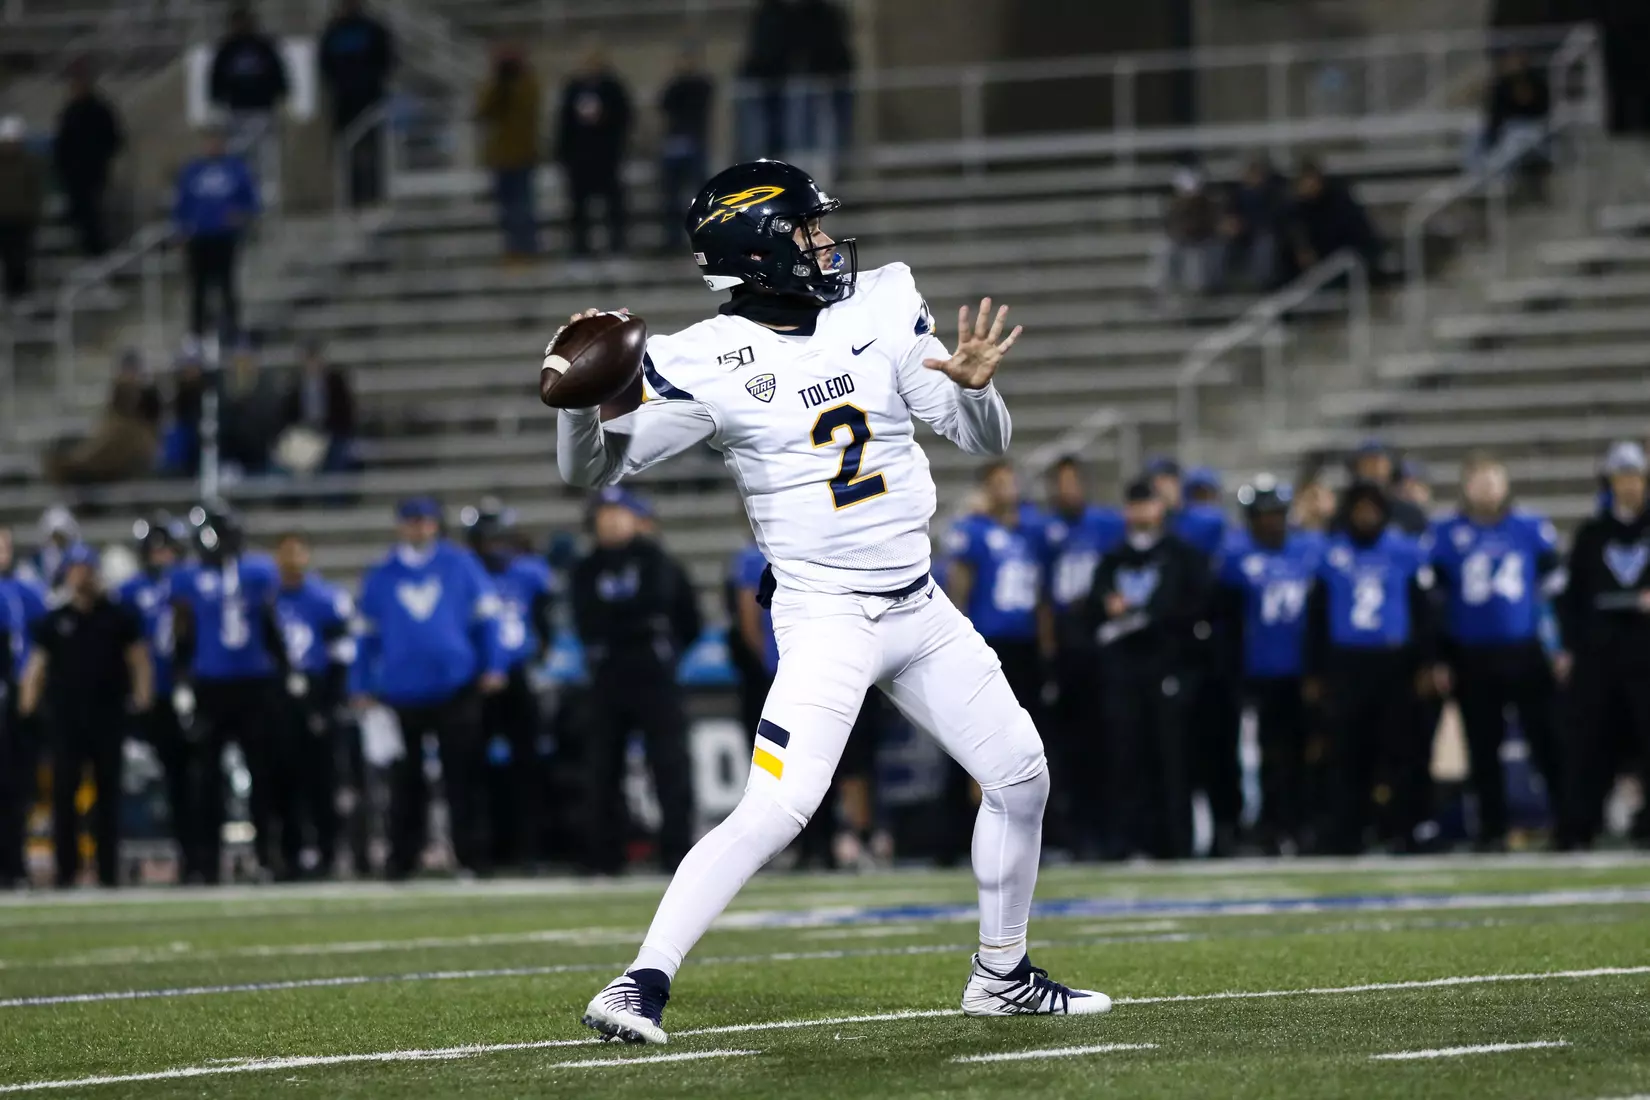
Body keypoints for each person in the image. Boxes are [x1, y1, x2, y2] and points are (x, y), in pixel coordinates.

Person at [557, 160, 1108, 1043]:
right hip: (827, 614)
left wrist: (979, 386)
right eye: (805, 228)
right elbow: (596, 470)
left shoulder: (883, 301)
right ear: (759, 251)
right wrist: (577, 410)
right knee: (777, 808)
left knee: (1020, 775)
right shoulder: (707, 355)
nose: (824, 240)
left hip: (919, 604)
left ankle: (1001, 975)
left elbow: (980, 434)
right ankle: (637, 983)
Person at [352, 497, 506, 879]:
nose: (419, 528)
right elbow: (364, 638)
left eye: (425, 521)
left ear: (435, 525)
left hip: (456, 686)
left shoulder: (460, 564)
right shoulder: (381, 574)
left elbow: (489, 621)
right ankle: (402, 859)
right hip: (402, 691)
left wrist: (495, 665)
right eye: (411, 522)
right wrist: (360, 683)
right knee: (405, 783)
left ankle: (472, 856)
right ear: (400, 526)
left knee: (463, 778)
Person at [1427, 453, 1563, 851]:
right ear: (1466, 486)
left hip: (1524, 649)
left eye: (1493, 479)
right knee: (1482, 747)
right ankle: (1491, 828)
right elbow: (1435, 603)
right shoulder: (1446, 534)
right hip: (1471, 652)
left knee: (1546, 738)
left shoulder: (1530, 527)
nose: (1487, 488)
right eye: (1479, 480)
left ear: (1505, 484)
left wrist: (1556, 647)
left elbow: (1554, 592)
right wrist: (1440, 657)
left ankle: (1568, 820)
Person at [1304, 482, 1444, 855]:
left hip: (1395, 662)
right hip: (1347, 664)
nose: (1365, 516)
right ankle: (1348, 831)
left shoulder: (1406, 552)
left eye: (1372, 509)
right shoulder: (1331, 556)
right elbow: (1315, 618)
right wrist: (1315, 671)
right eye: (1359, 509)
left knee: (1402, 751)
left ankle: (1406, 828)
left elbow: (1424, 611)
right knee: (1349, 753)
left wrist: (1428, 662)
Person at [570, 489, 699, 875]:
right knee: (602, 767)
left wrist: (656, 642)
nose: (610, 521)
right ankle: (605, 855)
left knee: (670, 765)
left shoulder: (658, 561)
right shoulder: (587, 568)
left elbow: (686, 618)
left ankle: (677, 852)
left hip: (653, 673)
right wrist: (633, 621)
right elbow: (584, 620)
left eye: (618, 513)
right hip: (608, 674)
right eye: (604, 514)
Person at [1085, 477, 1209, 859]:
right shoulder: (1112, 559)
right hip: (1123, 672)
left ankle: (1175, 843)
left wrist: (1146, 618)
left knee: (1172, 760)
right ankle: (1128, 841)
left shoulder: (1183, 556)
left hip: (1167, 668)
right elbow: (1092, 610)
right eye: (1134, 504)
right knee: (1125, 758)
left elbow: (1196, 611)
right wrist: (1110, 609)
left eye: (1147, 503)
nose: (1141, 512)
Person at [19, 544, 152, 887]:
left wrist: (142, 697)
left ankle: (108, 871)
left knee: (108, 795)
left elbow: (137, 658)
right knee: (64, 793)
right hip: (66, 719)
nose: (82, 575)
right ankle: (67, 870)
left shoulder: (117, 616)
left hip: (107, 715)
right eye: (76, 569)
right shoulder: (54, 619)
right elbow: (37, 665)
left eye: (87, 568)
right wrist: (27, 703)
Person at [171, 506, 287, 883]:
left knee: (264, 775)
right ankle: (205, 861)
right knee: (206, 778)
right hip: (211, 685)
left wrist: (285, 674)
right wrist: (183, 681)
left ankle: (267, 856)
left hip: (254, 683)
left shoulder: (256, 572)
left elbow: (273, 627)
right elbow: (183, 633)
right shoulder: (189, 578)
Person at [942, 460, 1046, 864]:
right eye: (998, 483)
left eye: (1010, 481)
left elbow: (1041, 597)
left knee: (1023, 739)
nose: (1007, 489)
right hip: (988, 643)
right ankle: (967, 831)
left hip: (1024, 646)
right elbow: (959, 589)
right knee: (976, 738)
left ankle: (1021, 831)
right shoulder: (973, 531)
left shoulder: (1032, 530)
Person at [1216, 477, 1323, 853]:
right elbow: (1227, 622)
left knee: (1307, 755)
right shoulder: (1235, 555)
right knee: (1266, 758)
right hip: (1259, 672)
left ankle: (1304, 825)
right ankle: (1271, 826)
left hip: (1304, 672)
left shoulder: (1310, 548)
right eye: (1263, 515)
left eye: (1276, 513)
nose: (1271, 522)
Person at [1556, 441, 1650, 849]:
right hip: (1599, 656)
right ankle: (1579, 828)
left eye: (1634, 476)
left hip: (1646, 656)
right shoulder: (1592, 534)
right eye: (1620, 477)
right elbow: (1571, 596)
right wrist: (1570, 647)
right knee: (1590, 744)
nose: (1628, 485)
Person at [1039, 457, 1123, 856]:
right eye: (1062, 482)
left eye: (1074, 481)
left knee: (1105, 742)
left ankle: (1107, 829)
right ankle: (1074, 833)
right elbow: (1041, 596)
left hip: (1100, 644)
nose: (1068, 490)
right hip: (1065, 648)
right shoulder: (1043, 530)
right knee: (1065, 747)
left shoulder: (1106, 525)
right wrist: (1049, 646)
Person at [463, 501, 553, 870]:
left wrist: (536, 658)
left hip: (517, 675)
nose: (493, 545)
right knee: (473, 769)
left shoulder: (530, 573)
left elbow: (546, 623)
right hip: (475, 679)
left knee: (527, 767)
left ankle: (528, 849)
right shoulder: (462, 573)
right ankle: (482, 852)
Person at [115, 515, 204, 882]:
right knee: (133, 781)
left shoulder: (193, 582)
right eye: (156, 547)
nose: (162, 554)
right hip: (142, 697)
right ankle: (118, 861)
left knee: (189, 781)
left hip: (185, 692)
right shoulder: (129, 591)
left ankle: (195, 858)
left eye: (167, 547)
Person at [273, 531, 353, 879]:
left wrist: (328, 702)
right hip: (278, 696)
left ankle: (327, 851)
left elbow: (342, 653)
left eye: (297, 552)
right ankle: (289, 855)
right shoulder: (266, 599)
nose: (292, 559)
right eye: (285, 552)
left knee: (323, 779)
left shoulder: (325, 598)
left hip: (318, 693)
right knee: (283, 780)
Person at [173, 127, 260, 340]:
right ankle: (197, 332)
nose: (212, 145)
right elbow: (180, 205)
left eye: (216, 141)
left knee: (226, 284)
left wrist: (241, 216)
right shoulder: (192, 171)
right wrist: (181, 231)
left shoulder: (236, 169)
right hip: (199, 237)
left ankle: (232, 328)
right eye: (208, 141)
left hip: (225, 237)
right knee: (198, 287)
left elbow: (252, 202)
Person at [0, 527, 48, 888]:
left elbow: (40, 648)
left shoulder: (26, 592)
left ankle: (14, 864)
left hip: (16, 701)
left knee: (15, 787)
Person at [555, 39, 632, 257]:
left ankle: (618, 246)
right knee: (578, 206)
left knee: (613, 204)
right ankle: (580, 249)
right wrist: (563, 153)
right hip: (580, 158)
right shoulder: (573, 88)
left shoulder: (613, 87)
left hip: (606, 156)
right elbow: (564, 123)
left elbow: (624, 118)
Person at [42, 348, 162, 485]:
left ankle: (77, 466)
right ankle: (77, 466)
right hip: (117, 440)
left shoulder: (148, 394)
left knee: (114, 439)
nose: (129, 376)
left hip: (135, 445)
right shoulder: (118, 397)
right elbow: (111, 419)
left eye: (132, 371)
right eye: (127, 370)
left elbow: (149, 424)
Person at [318, 0, 395, 208]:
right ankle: (352, 196)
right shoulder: (332, 32)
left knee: (372, 149)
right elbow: (324, 66)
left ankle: (374, 194)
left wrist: (373, 86)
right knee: (347, 151)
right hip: (344, 102)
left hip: (369, 101)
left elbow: (387, 60)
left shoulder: (372, 29)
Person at [208, 4, 289, 181]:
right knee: (237, 156)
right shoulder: (226, 49)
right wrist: (216, 102)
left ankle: (269, 199)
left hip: (262, 109)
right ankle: (241, 195)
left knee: (266, 156)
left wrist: (282, 95)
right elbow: (215, 79)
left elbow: (279, 73)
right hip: (237, 111)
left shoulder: (264, 46)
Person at [475, 45, 541, 261]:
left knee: (523, 206)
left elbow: (529, 106)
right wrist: (497, 84)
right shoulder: (496, 87)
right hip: (501, 157)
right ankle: (512, 250)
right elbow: (482, 111)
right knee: (505, 209)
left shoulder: (527, 85)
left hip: (522, 155)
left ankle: (528, 249)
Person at [53, 61, 124, 258]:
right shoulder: (69, 111)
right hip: (73, 175)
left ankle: (99, 254)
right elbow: (62, 143)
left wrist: (98, 158)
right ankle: (87, 252)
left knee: (96, 215)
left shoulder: (101, 110)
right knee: (80, 215)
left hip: (94, 172)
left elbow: (114, 138)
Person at [657, 44, 714, 252]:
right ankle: (672, 239)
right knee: (671, 195)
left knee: (699, 195)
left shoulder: (701, 84)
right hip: (674, 144)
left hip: (695, 144)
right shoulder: (675, 85)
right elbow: (664, 104)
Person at [1471, 48, 1551, 195]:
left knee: (1516, 136)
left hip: (1532, 129)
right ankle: (1475, 173)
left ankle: (1495, 176)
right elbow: (1495, 114)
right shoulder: (1501, 86)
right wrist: (1493, 135)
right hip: (1508, 128)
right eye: (1510, 60)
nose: (1513, 64)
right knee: (1475, 132)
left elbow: (1543, 111)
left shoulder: (1537, 82)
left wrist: (1527, 100)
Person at [1285, 160, 1379, 282]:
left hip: (1346, 257)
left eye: (1311, 180)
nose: (1309, 186)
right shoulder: (1295, 210)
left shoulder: (1339, 202)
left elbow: (1354, 234)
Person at [279, 339, 359, 476]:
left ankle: (332, 495)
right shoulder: (295, 385)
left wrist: (328, 435)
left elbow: (346, 414)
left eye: (315, 358)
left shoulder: (336, 382)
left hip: (332, 435)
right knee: (285, 461)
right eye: (308, 359)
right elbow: (287, 416)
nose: (312, 363)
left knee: (338, 458)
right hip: (304, 436)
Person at [725, 538, 777, 746]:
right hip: (780, 666)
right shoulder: (753, 558)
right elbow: (748, 622)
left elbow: (748, 620)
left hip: (778, 667)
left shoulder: (752, 558)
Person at [737, 0, 799, 159]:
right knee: (760, 128)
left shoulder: (783, 14)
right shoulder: (764, 13)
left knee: (778, 128)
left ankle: (776, 159)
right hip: (763, 77)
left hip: (777, 78)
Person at [796, 0, 854, 160]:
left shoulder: (832, 14)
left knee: (836, 131)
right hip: (815, 75)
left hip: (835, 74)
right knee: (809, 130)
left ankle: (839, 164)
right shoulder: (805, 15)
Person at [1221, 155, 1287, 292]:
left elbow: (1274, 219)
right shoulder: (1237, 194)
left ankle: (1260, 284)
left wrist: (1247, 225)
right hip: (1240, 237)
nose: (1253, 177)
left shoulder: (1273, 194)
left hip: (1263, 234)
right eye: (1250, 173)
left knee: (1266, 242)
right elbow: (1230, 214)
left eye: (1257, 173)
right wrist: (1232, 224)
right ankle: (1222, 283)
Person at [221, 339, 285, 476]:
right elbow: (225, 431)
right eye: (239, 363)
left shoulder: (266, 392)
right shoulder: (226, 395)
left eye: (246, 362)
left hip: (260, 457)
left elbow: (271, 425)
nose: (243, 367)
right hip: (233, 461)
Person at [0, 116, 45, 308]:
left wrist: (32, 212)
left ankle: (22, 293)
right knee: (8, 258)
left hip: (22, 218)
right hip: (3, 218)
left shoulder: (29, 163)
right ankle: (10, 292)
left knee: (21, 258)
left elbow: (35, 191)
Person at [1157, 167, 1223, 298]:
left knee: (1195, 258)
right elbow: (1170, 228)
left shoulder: (1208, 206)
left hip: (1201, 244)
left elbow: (1209, 228)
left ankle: (1196, 292)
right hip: (1181, 242)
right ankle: (1164, 288)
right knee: (1164, 250)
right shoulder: (1174, 206)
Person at [1345, 440, 1428, 536]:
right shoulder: (1345, 514)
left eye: (1378, 463)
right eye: (1368, 463)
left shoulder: (1410, 513)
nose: (1374, 469)